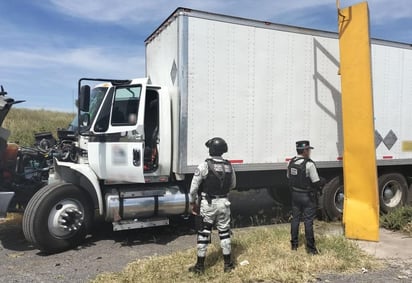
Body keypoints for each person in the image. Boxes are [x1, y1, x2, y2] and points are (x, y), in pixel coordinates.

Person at [188, 137, 236, 274]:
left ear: (211, 150)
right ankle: (228, 265)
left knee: (204, 233)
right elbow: (233, 185)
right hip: (224, 203)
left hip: (208, 204)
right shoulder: (229, 165)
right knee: (225, 233)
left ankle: (200, 266)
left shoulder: (204, 165)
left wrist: (192, 203)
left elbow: (193, 188)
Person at [287, 140, 323, 255]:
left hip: (295, 195)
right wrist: (323, 181)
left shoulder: (291, 162)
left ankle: (294, 245)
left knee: (295, 219)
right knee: (308, 221)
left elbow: (288, 177)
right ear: (305, 151)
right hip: (307, 196)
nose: (309, 152)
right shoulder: (309, 164)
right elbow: (316, 181)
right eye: (308, 150)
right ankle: (311, 249)